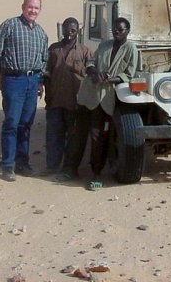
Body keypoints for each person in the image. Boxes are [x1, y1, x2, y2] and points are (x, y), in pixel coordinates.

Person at [60, 17, 140, 190]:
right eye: (115, 29)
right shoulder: (104, 45)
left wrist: (109, 78)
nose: (117, 32)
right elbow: (90, 62)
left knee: (98, 137)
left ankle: (96, 174)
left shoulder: (131, 48)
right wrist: (94, 72)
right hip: (88, 94)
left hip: (106, 98)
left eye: (121, 30)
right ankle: (70, 169)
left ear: (128, 31)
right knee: (78, 133)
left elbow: (130, 73)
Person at [0, 0, 48, 182]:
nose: (33, 11)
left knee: (26, 124)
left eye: (36, 8)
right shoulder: (10, 25)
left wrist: (39, 82)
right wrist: (1, 68)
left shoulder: (41, 33)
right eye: (30, 7)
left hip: (32, 81)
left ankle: (23, 162)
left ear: (40, 10)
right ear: (23, 7)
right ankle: (7, 165)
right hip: (13, 80)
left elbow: (44, 59)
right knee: (11, 122)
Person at [42, 17, 92, 175]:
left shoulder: (85, 52)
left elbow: (90, 76)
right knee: (53, 135)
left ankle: (70, 168)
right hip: (55, 100)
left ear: (78, 31)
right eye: (66, 29)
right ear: (61, 30)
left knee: (74, 137)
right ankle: (52, 166)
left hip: (75, 102)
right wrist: (47, 93)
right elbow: (46, 74)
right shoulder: (53, 49)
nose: (69, 33)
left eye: (73, 30)